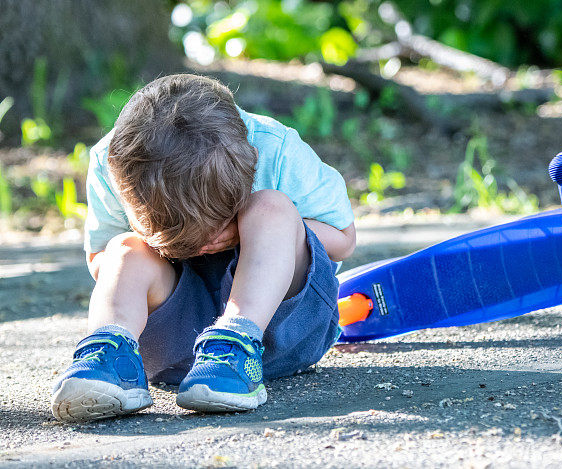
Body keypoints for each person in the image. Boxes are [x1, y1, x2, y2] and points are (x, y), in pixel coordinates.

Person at [50, 74, 355, 422]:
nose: (202, 248)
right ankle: (110, 356)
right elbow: (98, 260)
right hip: (176, 343)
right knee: (122, 249)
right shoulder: (112, 161)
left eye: (213, 231)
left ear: (250, 160)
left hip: (281, 332)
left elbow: (343, 239)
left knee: (271, 208)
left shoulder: (278, 149)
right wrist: (149, 242)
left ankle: (236, 343)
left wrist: (247, 229)